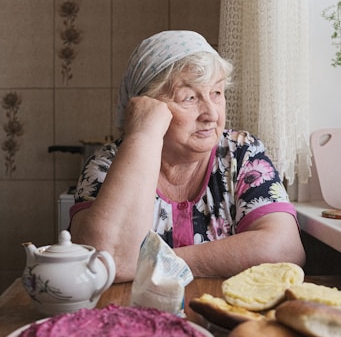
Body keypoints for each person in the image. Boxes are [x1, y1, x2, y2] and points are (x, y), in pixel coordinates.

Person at [70, 30, 305, 282]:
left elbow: (284, 250)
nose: (211, 114)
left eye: (216, 93)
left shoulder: (242, 153)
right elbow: (100, 261)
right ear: (146, 106)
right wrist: (143, 135)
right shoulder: (106, 164)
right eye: (189, 97)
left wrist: (156, 264)